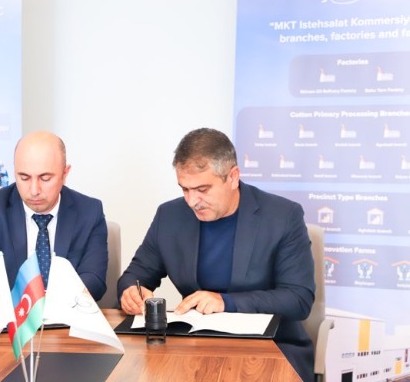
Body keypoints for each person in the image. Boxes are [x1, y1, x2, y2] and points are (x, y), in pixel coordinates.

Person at [117, 128, 315, 382]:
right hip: (194, 348)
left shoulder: (283, 216)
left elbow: (298, 299)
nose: (192, 201)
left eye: (202, 189)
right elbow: (135, 274)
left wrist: (226, 302)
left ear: (233, 177)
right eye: (185, 189)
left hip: (270, 347)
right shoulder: (170, 216)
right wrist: (132, 292)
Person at [0, 131, 109, 313]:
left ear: (65, 173)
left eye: (45, 178)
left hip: (66, 320)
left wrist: (51, 302)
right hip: (6, 323)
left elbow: (94, 278)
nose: (34, 190)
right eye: (24, 177)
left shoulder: (89, 211)